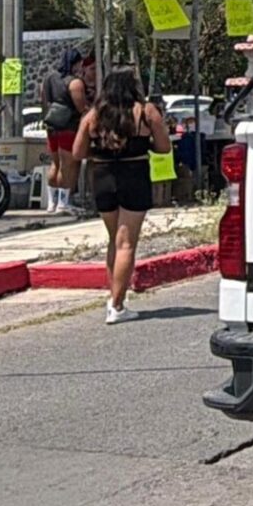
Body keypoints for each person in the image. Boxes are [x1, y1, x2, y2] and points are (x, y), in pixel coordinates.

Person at [78, 67, 170, 322]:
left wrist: (101, 151)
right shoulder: (146, 111)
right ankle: (117, 306)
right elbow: (164, 147)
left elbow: (77, 152)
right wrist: (144, 144)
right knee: (127, 243)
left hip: (102, 176)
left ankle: (115, 297)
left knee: (114, 240)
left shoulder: (94, 115)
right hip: (134, 175)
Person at [40, 48, 95, 216]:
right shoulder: (74, 82)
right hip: (68, 127)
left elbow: (43, 99)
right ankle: (64, 203)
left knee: (54, 164)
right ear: (75, 62)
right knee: (68, 165)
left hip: (52, 126)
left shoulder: (48, 78)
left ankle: (51, 202)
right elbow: (81, 107)